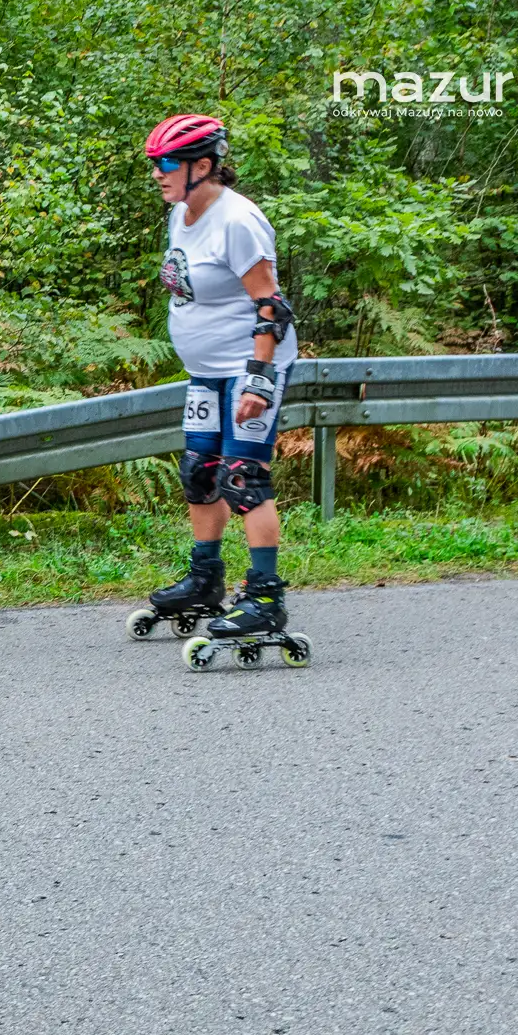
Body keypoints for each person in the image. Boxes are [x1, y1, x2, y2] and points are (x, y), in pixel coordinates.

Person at [142, 113, 298, 641]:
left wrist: (259, 379)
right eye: (155, 163)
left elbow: (270, 305)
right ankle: (205, 578)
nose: (158, 173)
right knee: (199, 471)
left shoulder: (238, 221)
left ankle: (265, 597)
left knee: (243, 476)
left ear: (203, 166)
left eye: (168, 163)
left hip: (247, 367)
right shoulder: (181, 213)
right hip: (206, 371)